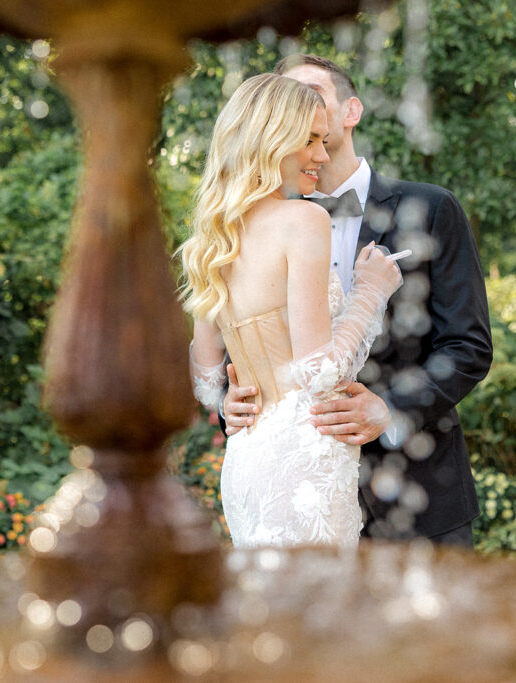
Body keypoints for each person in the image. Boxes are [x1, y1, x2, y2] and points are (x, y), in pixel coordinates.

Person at [222, 55, 493, 546]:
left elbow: (467, 345)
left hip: (419, 492)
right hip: (296, 493)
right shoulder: (252, 226)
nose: (302, 110)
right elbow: (235, 342)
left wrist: (390, 410)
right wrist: (231, 399)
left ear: (351, 111)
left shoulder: (430, 208)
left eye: (313, 94)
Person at [181, 73, 403, 549]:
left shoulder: (209, 242)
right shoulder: (304, 219)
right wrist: (371, 291)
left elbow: (205, 383)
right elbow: (320, 370)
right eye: (309, 142)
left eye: (324, 141)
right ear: (270, 139)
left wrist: (227, 403)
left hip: (246, 461)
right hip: (305, 460)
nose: (322, 157)